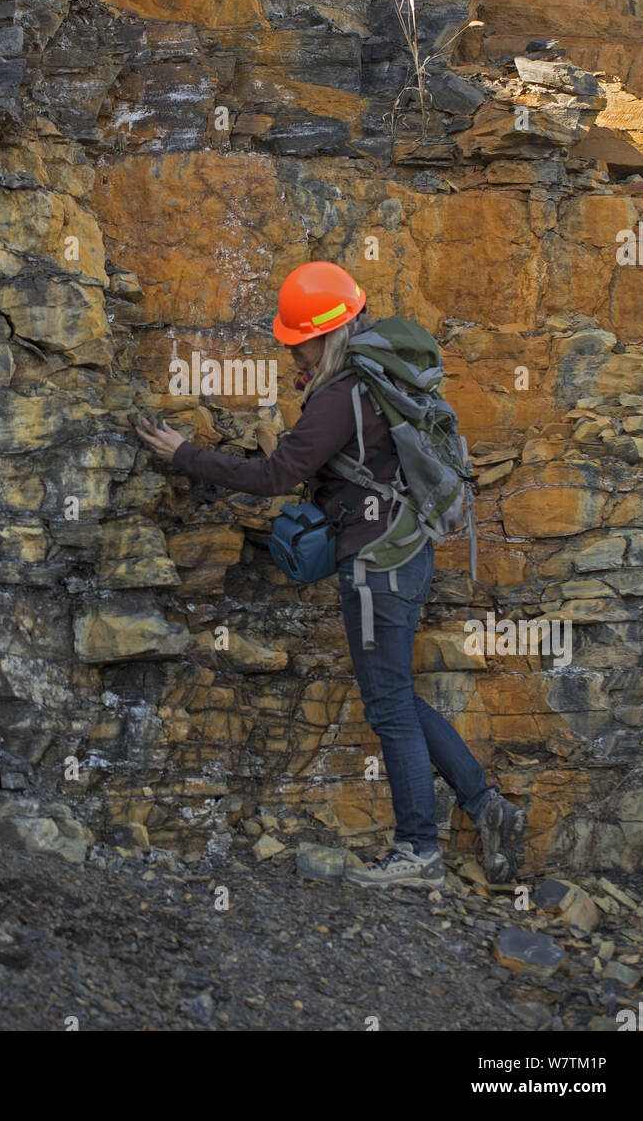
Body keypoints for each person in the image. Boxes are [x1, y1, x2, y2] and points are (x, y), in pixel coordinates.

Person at [135, 260, 527, 891]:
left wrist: (186, 455)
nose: (292, 350)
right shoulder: (375, 381)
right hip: (408, 550)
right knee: (396, 692)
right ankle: (486, 808)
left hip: (376, 565)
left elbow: (274, 477)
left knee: (388, 703)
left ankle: (418, 851)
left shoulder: (341, 395)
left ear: (322, 334)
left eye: (296, 341)